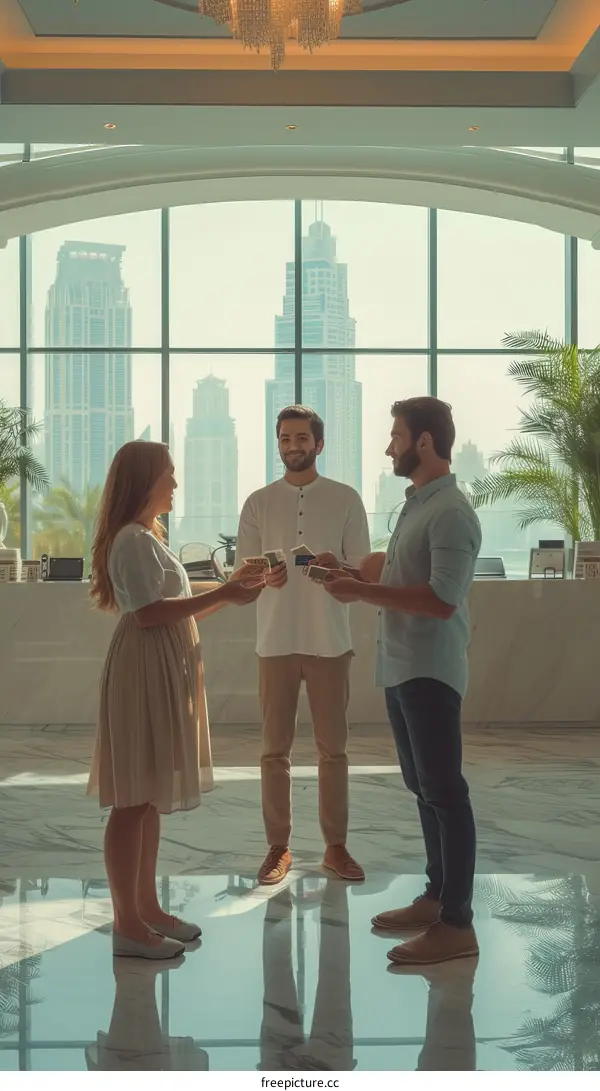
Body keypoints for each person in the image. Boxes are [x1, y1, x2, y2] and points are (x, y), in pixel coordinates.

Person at [317, 398, 482, 966]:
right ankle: (438, 897)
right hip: (401, 667)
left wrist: (361, 593)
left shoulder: (452, 512)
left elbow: (440, 599)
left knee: (445, 793)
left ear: (426, 443)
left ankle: (458, 923)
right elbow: (398, 571)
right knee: (424, 788)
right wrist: (345, 573)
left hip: (430, 671)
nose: (389, 446)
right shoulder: (416, 506)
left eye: (396, 436)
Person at [88, 440, 264, 960]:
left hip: (156, 665)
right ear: (146, 481)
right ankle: (128, 923)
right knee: (132, 800)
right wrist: (226, 593)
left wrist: (231, 590)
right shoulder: (132, 541)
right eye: (169, 474)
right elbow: (147, 614)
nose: (175, 484)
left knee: (146, 797)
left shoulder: (145, 539)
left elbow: (172, 611)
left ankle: (146, 910)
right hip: (143, 670)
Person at [235, 406, 371, 886]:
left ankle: (336, 847)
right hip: (274, 641)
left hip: (330, 641)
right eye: (284, 438)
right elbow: (242, 579)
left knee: (333, 750)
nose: (293, 445)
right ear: (277, 443)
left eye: (301, 438)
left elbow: (363, 572)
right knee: (274, 751)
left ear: (320, 442)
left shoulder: (346, 499)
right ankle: (278, 847)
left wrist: (340, 568)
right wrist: (261, 578)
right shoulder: (257, 503)